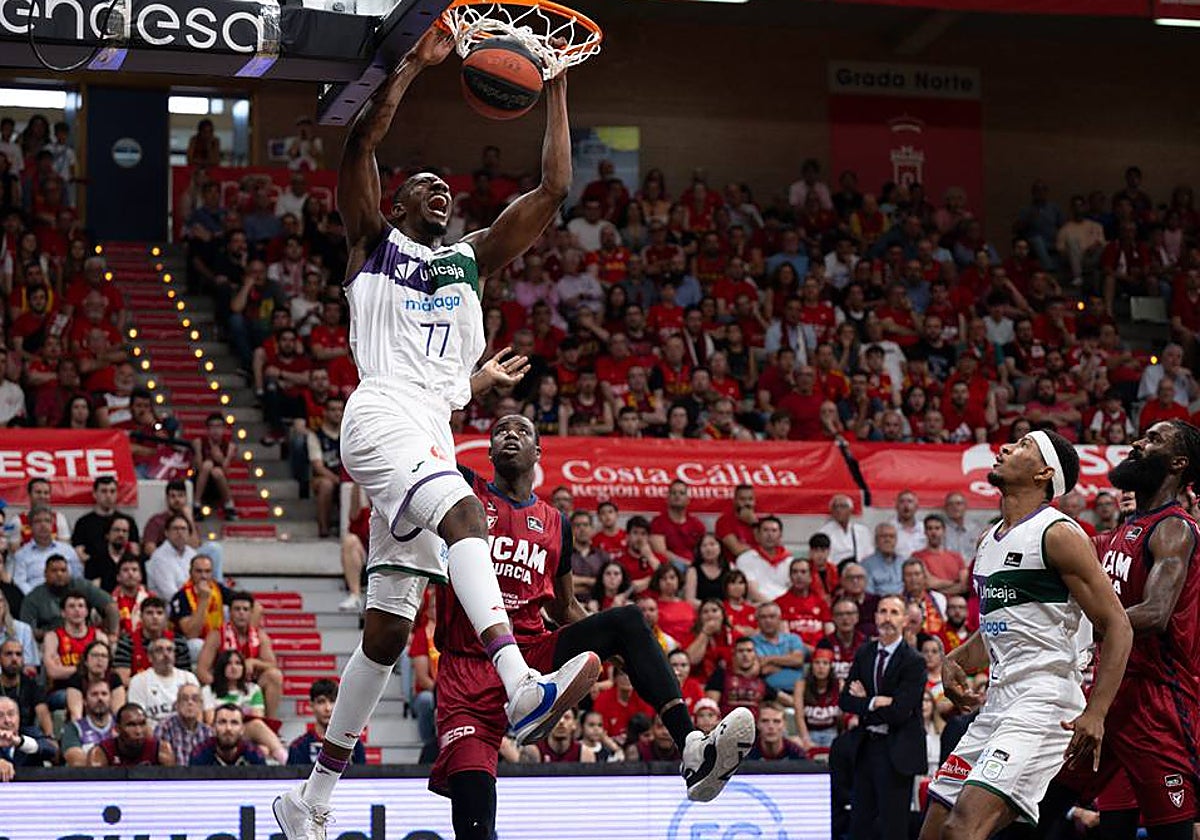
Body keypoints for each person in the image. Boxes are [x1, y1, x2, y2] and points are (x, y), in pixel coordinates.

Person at [275, 29, 600, 840]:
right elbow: (362, 141)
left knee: (386, 634)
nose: (439, 191)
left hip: (426, 428)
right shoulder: (371, 245)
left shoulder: (470, 260)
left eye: (446, 187)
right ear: (397, 203)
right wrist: (412, 68)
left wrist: (555, 85)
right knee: (469, 518)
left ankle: (311, 797)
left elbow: (554, 187)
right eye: (422, 185)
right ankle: (520, 680)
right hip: (381, 415)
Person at [424, 414, 755, 840]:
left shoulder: (555, 522)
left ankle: (692, 749)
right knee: (475, 825)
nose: (509, 434)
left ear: (538, 453)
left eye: (521, 430)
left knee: (630, 620)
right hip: (467, 672)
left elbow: (565, 607)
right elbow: (425, 440)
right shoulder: (463, 491)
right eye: (500, 430)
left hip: (534, 657)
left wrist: (625, 650)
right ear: (487, 451)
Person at [919, 431, 1132, 840]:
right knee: (933, 830)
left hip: (1043, 702)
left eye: (1022, 446)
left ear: (1044, 473)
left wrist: (1097, 712)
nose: (1004, 448)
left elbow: (1118, 626)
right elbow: (999, 629)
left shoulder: (1059, 533)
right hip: (997, 703)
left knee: (962, 829)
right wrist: (955, 660)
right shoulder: (988, 539)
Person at [1039, 420, 1200, 839]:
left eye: (1153, 440)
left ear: (1178, 463)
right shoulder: (1125, 530)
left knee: (1172, 831)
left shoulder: (1174, 528)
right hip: (1111, 694)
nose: (1138, 443)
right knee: (1043, 802)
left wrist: (1080, 632)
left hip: (1157, 700)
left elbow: (1157, 612)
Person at [839, 594, 928, 840]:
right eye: (883, 611)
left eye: (894, 612)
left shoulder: (914, 661)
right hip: (866, 747)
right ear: (875, 617)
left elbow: (900, 712)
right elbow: (845, 701)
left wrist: (865, 704)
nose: (887, 617)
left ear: (905, 620)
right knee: (859, 824)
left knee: (893, 827)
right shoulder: (864, 653)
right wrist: (875, 701)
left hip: (897, 751)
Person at [196, 590, 282, 720]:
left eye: (245, 609)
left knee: (274, 676)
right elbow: (201, 671)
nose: (241, 613)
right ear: (229, 612)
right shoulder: (217, 635)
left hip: (250, 686)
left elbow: (272, 665)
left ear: (252, 613)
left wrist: (254, 662)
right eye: (237, 609)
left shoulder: (260, 636)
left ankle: (271, 725)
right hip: (222, 686)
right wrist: (222, 685)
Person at [287, 679, 367, 766]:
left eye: (332, 701)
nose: (328, 708)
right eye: (321, 701)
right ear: (311, 705)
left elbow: (363, 778)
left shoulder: (353, 744)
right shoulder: (299, 747)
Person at [127, 637, 200, 728]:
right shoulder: (139, 681)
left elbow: (198, 713)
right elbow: (138, 718)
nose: (165, 654)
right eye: (159, 650)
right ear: (150, 657)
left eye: (169, 650)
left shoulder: (188, 678)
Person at [88, 702, 175, 766]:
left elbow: (171, 786)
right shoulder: (102, 752)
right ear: (117, 729)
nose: (138, 731)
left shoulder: (161, 749)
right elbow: (95, 788)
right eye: (131, 725)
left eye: (142, 724)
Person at [153, 683, 212, 768]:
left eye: (195, 699)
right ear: (176, 705)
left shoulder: (208, 732)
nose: (190, 703)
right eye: (184, 699)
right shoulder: (164, 728)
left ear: (201, 705)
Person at [191, 703, 266, 766]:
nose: (228, 728)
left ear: (242, 729)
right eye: (222, 722)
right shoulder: (200, 754)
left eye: (234, 723)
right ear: (213, 727)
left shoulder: (254, 755)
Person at [61, 678, 115, 766]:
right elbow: (75, 761)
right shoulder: (73, 728)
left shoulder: (120, 725)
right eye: (94, 694)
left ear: (111, 699)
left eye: (104, 694)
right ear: (85, 701)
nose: (100, 698)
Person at [818, 494, 874, 566]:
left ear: (850, 510)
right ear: (832, 511)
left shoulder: (862, 531)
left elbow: (869, 554)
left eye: (843, 506)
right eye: (835, 507)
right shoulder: (824, 532)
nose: (838, 510)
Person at [863, 522, 906, 596]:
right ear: (876, 540)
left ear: (896, 540)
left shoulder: (903, 562)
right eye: (883, 536)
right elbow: (868, 594)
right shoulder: (866, 565)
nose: (888, 540)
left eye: (891, 537)